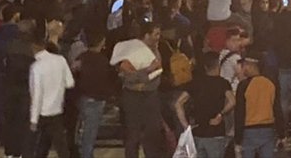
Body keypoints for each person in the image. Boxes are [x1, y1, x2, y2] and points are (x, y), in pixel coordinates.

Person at [113, 23, 165, 158]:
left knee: (152, 132)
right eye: (156, 34)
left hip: (150, 96)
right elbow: (127, 76)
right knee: (133, 134)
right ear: (147, 35)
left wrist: (142, 79)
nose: (158, 37)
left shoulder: (156, 51)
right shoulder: (130, 51)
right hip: (132, 97)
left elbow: (157, 76)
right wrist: (146, 72)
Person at [175, 51, 234, 158]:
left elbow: (178, 103)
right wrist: (221, 114)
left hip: (197, 133)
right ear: (218, 65)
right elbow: (232, 101)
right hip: (216, 133)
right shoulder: (223, 83)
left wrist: (186, 126)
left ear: (205, 67)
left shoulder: (195, 83)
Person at [29, 26, 75, 158]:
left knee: (39, 146)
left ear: (33, 47)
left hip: (42, 112)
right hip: (57, 110)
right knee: (60, 146)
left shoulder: (36, 67)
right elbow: (70, 83)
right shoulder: (60, 60)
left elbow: (37, 95)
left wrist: (33, 119)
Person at [74, 34, 116, 158]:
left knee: (84, 130)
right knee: (90, 133)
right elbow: (108, 80)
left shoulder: (81, 57)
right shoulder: (103, 60)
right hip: (96, 99)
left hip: (82, 98)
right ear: (101, 42)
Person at [235, 56, 283, 158]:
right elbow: (277, 109)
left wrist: (237, 140)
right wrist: (281, 133)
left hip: (249, 131)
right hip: (268, 130)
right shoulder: (270, 83)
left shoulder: (243, 86)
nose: (243, 69)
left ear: (251, 66)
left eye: (245, 65)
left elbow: (239, 113)